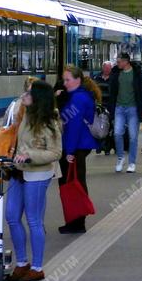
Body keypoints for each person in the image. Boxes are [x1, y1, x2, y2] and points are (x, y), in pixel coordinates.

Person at [6, 80, 62, 281]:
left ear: (38, 98)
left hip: (38, 174)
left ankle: (37, 267)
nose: (24, 95)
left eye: (29, 93)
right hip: (19, 172)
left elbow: (56, 152)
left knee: (33, 220)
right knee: (11, 216)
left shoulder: (50, 122)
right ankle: (22, 263)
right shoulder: (26, 116)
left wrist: (29, 155)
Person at [58, 65, 96, 234]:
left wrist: (70, 151)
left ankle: (77, 221)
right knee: (75, 182)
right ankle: (75, 220)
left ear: (77, 80)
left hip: (76, 146)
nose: (64, 83)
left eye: (68, 80)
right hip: (79, 145)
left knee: (74, 183)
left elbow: (73, 126)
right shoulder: (77, 96)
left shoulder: (78, 99)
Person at [109, 53, 142, 173]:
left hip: (133, 108)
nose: (117, 63)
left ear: (126, 61)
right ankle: (120, 158)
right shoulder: (116, 73)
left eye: (119, 61)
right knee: (117, 133)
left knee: (133, 136)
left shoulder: (137, 73)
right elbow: (113, 92)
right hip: (119, 108)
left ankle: (131, 162)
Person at [93, 62, 114, 154]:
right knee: (98, 126)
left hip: (110, 106)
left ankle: (107, 147)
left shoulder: (113, 78)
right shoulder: (97, 78)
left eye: (109, 68)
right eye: (105, 68)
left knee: (108, 127)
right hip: (99, 106)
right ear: (103, 68)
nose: (107, 70)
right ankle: (99, 145)